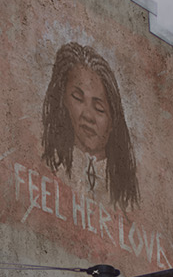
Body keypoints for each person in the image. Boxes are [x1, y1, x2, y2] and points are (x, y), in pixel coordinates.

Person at [41, 42, 139, 210]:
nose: (88, 116)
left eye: (99, 108)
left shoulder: (125, 197)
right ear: (62, 101)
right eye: (78, 98)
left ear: (112, 122)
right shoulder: (47, 169)